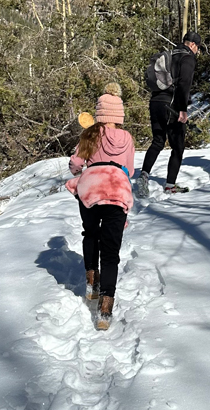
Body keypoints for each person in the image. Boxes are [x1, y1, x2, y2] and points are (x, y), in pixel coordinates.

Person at [65, 83, 135, 331]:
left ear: (99, 112)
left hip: (91, 189)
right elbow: (130, 170)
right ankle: (106, 307)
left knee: (91, 233)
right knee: (111, 250)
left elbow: (75, 164)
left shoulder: (90, 134)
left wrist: (80, 169)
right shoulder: (126, 138)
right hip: (117, 189)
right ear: (119, 114)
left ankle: (91, 282)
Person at [137, 31, 201, 197]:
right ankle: (170, 185)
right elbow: (184, 84)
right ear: (193, 45)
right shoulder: (187, 58)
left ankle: (143, 176)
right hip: (172, 105)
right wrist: (182, 109)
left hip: (155, 101)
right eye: (198, 48)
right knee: (178, 146)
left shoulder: (170, 54)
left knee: (158, 141)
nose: (197, 51)